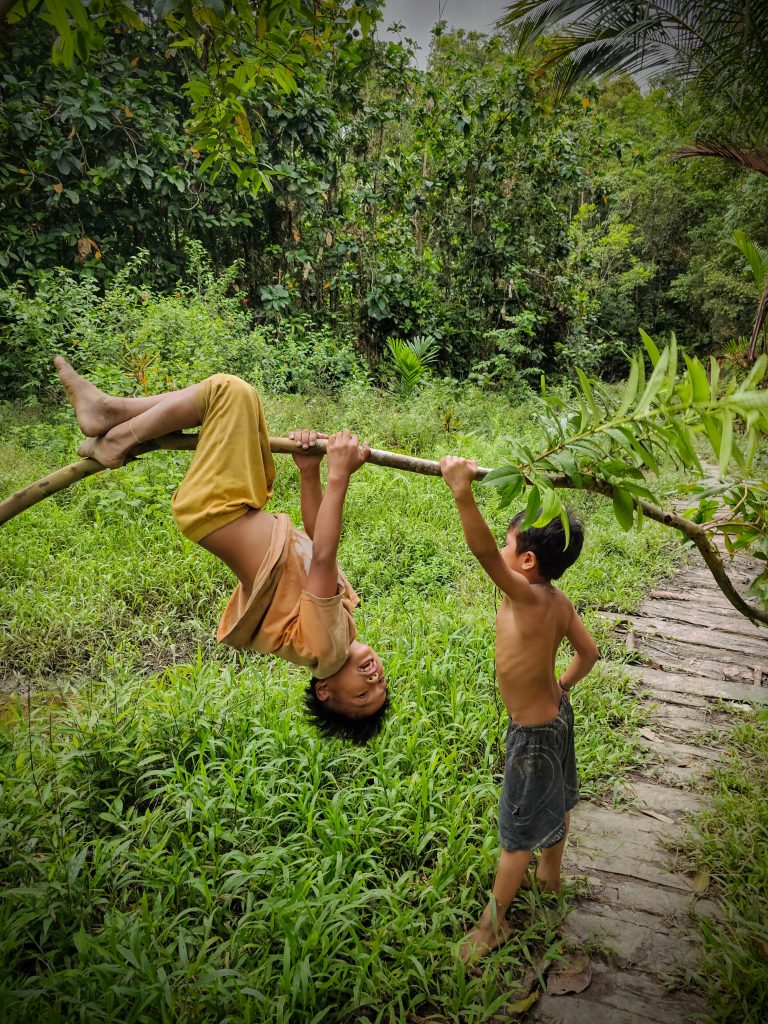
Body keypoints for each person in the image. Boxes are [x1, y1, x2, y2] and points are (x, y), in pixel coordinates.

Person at [54, 358, 390, 743]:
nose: (374, 677)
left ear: (325, 691)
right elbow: (316, 542)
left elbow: (327, 556)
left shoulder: (327, 648)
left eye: (362, 694)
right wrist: (309, 470)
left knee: (230, 391)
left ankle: (115, 436)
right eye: (382, 683)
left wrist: (339, 474)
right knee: (231, 400)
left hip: (218, 508)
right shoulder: (338, 631)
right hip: (236, 505)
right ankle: (114, 412)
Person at [439, 455, 600, 961]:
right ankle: (550, 879)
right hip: (557, 719)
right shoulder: (558, 600)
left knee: (516, 837)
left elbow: (484, 553)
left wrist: (461, 492)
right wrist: (561, 685)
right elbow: (589, 654)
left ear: (527, 561)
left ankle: (491, 927)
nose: (505, 551)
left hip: (531, 736)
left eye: (513, 543)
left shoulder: (521, 597)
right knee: (560, 798)